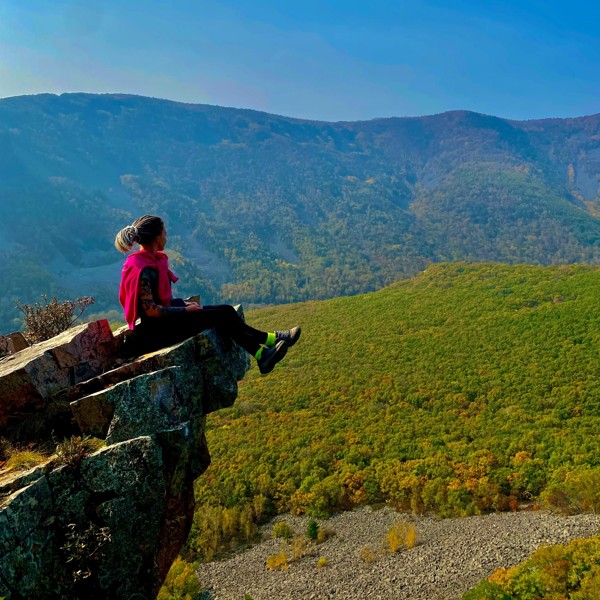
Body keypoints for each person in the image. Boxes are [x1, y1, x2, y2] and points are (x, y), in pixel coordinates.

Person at [115, 215, 300, 374]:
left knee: (226, 310)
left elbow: (160, 302)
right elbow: (150, 310)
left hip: (167, 322)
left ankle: (265, 349)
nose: (166, 236)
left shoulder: (151, 261)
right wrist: (184, 311)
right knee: (221, 315)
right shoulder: (141, 268)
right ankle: (267, 346)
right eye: (164, 232)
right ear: (156, 238)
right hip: (158, 331)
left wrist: (182, 304)